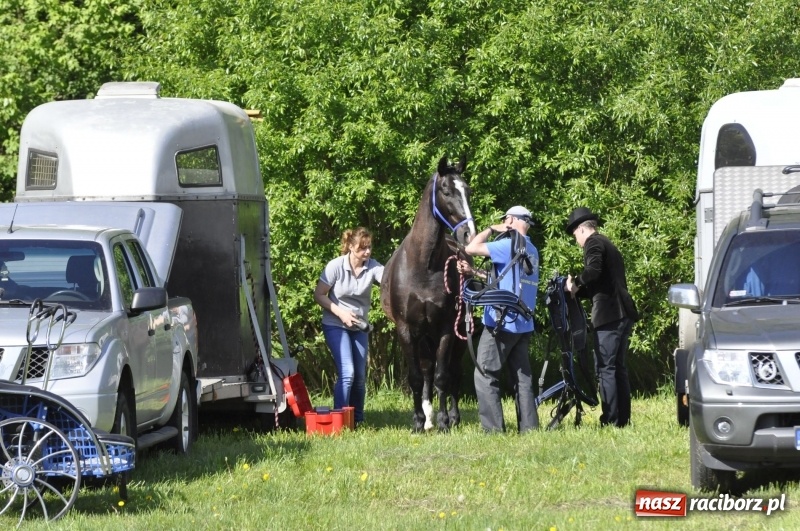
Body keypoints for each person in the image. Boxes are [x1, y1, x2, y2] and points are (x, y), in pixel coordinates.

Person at [458, 206, 540, 433]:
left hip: (501, 324)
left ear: (511, 220)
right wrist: (475, 274)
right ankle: (529, 429)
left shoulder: (507, 244)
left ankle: (493, 431)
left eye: (505, 220)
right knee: (522, 379)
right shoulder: (531, 249)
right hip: (523, 324)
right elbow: (507, 278)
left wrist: (491, 229)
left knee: (485, 373)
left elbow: (471, 248)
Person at [564, 207, 639, 428]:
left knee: (605, 368)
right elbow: (601, 284)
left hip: (609, 315)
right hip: (622, 313)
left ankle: (611, 420)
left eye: (574, 235)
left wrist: (574, 284)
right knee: (618, 368)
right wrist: (580, 291)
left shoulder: (593, 243)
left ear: (581, 230)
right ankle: (622, 419)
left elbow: (592, 271)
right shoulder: (608, 244)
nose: (576, 240)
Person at [313, 227, 384, 427]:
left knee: (360, 377)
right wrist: (341, 313)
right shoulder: (335, 266)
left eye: (369, 247)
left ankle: (357, 421)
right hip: (335, 324)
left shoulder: (372, 267)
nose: (367, 252)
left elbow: (388, 278)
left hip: (359, 328)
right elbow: (318, 295)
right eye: (362, 248)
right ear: (351, 247)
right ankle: (340, 421)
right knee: (348, 372)